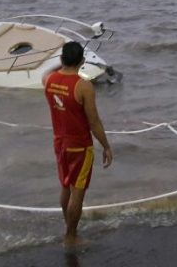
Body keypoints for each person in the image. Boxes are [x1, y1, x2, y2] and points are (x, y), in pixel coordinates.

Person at [43, 41, 114, 248]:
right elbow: (94, 122)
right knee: (78, 191)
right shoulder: (83, 86)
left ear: (61, 59)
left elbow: (48, 72)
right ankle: (71, 236)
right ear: (82, 61)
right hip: (80, 146)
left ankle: (69, 228)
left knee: (66, 186)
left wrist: (60, 65)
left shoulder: (48, 80)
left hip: (59, 142)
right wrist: (107, 146)